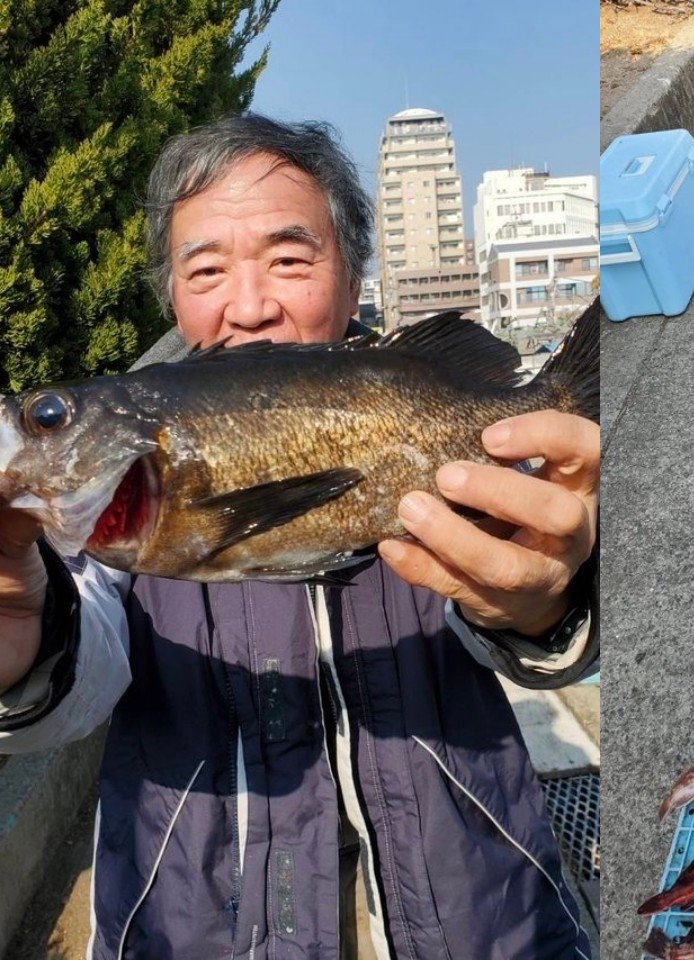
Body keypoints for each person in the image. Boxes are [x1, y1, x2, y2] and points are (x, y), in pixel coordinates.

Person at [0, 115, 597, 959]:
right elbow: (82, 671)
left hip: (483, 916)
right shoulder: (88, 509)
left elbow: (531, 634)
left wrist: (550, 602)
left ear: (353, 283)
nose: (249, 305)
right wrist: (23, 653)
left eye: (289, 258)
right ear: (171, 294)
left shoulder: (412, 393)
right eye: (206, 269)